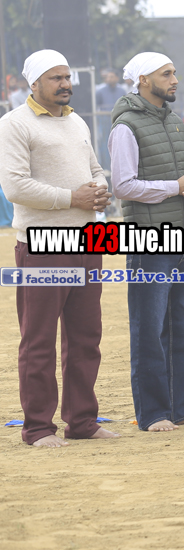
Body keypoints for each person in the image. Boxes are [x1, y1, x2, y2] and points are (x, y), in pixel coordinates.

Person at [0, 50, 119, 447]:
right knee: (39, 340)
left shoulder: (76, 121)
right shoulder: (14, 124)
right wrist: (72, 198)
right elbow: (15, 186)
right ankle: (37, 427)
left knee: (86, 337)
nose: (65, 84)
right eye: (56, 78)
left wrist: (98, 190)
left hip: (88, 241)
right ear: (33, 83)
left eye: (67, 77)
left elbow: (95, 169)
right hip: (42, 246)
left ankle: (82, 421)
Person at [109, 52, 184, 431]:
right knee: (148, 329)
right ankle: (153, 413)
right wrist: (175, 186)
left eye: (174, 72)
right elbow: (123, 185)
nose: (174, 79)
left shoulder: (175, 121)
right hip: (148, 239)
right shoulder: (125, 127)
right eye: (166, 74)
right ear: (143, 80)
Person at [94, 68, 128, 171]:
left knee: (121, 142)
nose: (109, 79)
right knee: (106, 142)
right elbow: (96, 106)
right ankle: (106, 166)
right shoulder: (100, 92)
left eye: (111, 77)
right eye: (107, 77)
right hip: (105, 122)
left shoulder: (122, 91)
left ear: (117, 78)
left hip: (119, 121)